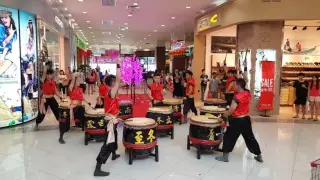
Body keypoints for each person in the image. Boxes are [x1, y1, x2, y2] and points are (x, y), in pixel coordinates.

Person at [215, 78, 263, 163]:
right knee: (250, 138)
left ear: (238, 85)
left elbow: (231, 110)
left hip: (237, 121)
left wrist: (222, 116)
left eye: (234, 85)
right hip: (246, 119)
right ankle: (259, 156)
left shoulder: (236, 97)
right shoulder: (247, 93)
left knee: (228, 137)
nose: (233, 86)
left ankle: (225, 157)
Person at [94, 59, 121, 177]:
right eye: (115, 81)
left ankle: (114, 154)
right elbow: (119, 80)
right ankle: (97, 168)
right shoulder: (111, 92)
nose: (117, 83)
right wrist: (119, 65)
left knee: (113, 138)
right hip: (110, 121)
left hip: (112, 119)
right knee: (107, 144)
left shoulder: (109, 92)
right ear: (112, 82)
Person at [36, 68, 62, 133]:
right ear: (48, 75)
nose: (52, 75)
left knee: (57, 110)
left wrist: (60, 97)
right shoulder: (44, 80)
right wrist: (45, 69)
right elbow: (44, 74)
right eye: (51, 74)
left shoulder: (53, 82)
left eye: (53, 74)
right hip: (45, 99)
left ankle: (61, 123)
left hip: (52, 98)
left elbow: (55, 91)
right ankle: (37, 123)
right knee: (42, 114)